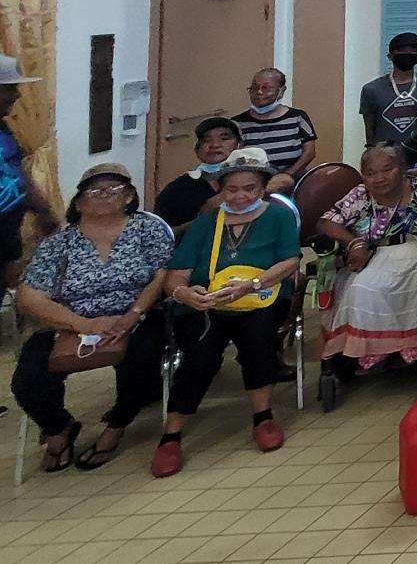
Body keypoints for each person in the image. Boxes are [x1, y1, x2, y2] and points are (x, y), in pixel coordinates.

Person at [11, 163, 172, 473]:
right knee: (28, 380)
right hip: (71, 322)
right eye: (95, 191)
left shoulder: (147, 229)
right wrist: (81, 324)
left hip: (135, 316)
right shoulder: (59, 243)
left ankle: (117, 424)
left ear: (128, 197)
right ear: (79, 201)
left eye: (114, 190)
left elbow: (161, 274)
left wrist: (132, 314)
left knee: (144, 358)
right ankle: (60, 428)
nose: (104, 196)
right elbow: (30, 294)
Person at [154, 148, 302, 476]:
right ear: (221, 189)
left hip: (261, 296)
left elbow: (291, 261)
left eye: (249, 189)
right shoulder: (206, 224)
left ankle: (263, 417)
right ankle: (171, 434)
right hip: (210, 301)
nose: (239, 196)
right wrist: (184, 293)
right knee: (199, 352)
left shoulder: (277, 216)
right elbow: (178, 273)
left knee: (259, 340)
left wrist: (253, 284)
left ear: (263, 188)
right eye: (231, 189)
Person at [317, 144, 417, 371]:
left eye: (387, 170)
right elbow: (326, 221)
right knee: (358, 288)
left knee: (406, 285)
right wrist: (353, 242)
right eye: (370, 173)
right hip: (370, 255)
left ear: (403, 168)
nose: (378, 178)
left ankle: (408, 344)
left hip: (415, 251)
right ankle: (372, 346)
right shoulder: (360, 194)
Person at [1, 54, 56, 289]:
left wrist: (43, 210)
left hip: (6, 236)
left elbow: (18, 174)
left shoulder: (3, 128)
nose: (18, 95)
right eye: (10, 88)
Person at [151, 116, 240, 238]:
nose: (215, 145)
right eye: (206, 140)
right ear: (197, 150)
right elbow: (160, 237)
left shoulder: (256, 183)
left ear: (239, 146)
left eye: (224, 138)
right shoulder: (178, 190)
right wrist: (202, 219)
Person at [232, 68, 316, 186]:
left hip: (293, 182)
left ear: (281, 91)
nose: (259, 92)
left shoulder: (298, 117)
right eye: (254, 88)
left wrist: (286, 175)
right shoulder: (237, 123)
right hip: (251, 186)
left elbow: (309, 152)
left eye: (266, 88)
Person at [358, 32, 417, 150]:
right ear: (390, 56)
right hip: (385, 155)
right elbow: (369, 129)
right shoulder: (371, 90)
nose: (408, 54)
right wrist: (371, 151)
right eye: (402, 50)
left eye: (414, 50)